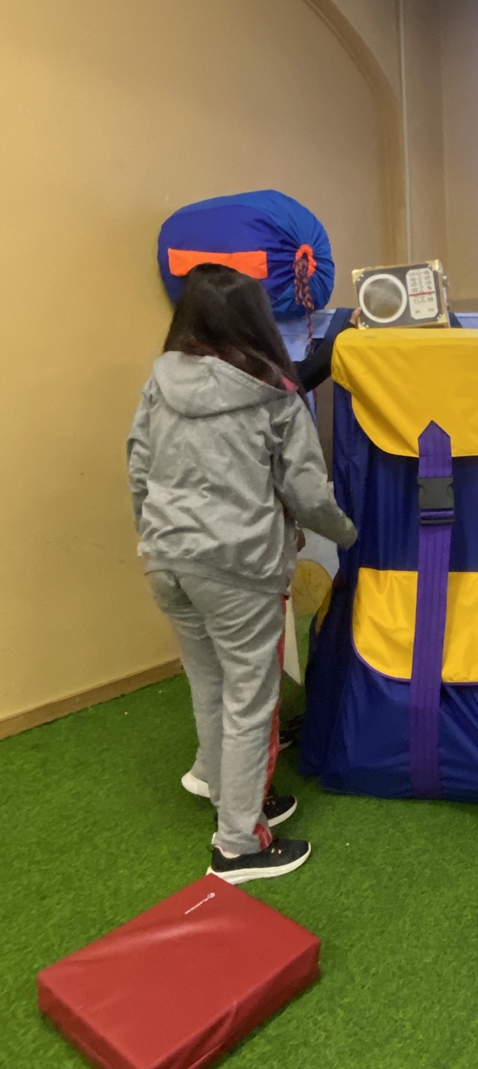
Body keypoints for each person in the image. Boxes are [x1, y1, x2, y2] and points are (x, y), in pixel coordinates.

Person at [127, 264, 357, 884]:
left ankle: (225, 788)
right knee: (252, 701)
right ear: (256, 320)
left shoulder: (160, 382)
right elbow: (307, 492)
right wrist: (348, 533)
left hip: (166, 560)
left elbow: (138, 470)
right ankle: (238, 844)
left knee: (210, 684)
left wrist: (154, 537)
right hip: (238, 566)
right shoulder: (273, 395)